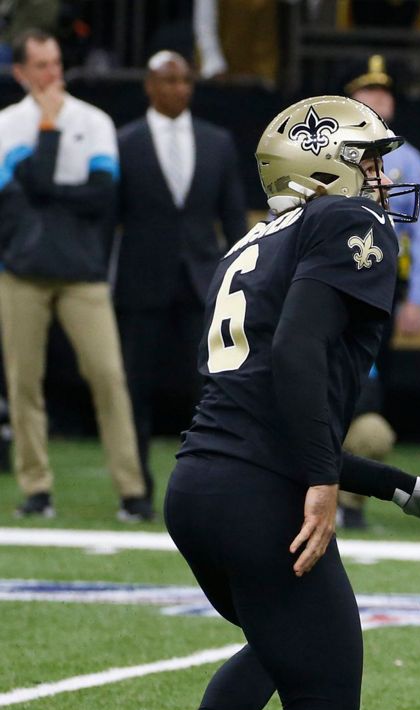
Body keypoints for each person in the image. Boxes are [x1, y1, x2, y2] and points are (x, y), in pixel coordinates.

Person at [51, 95, 420, 710]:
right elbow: (297, 358)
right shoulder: (347, 222)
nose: (384, 177)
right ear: (324, 167)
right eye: (369, 159)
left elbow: (264, 410)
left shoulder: (251, 242)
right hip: (261, 493)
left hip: (200, 485)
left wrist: (397, 486)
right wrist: (322, 479)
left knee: (277, 642)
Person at [0, 29, 149, 521]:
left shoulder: (95, 121)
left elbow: (102, 197)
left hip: (82, 272)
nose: (52, 74)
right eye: (41, 65)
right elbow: (24, 193)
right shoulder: (6, 125)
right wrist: (47, 128)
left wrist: (44, 188)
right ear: (20, 72)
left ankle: (132, 492)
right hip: (20, 271)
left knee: (108, 377)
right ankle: (36, 489)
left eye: (57, 63)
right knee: (24, 383)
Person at [114, 50, 247, 512]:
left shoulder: (218, 142)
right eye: (169, 81)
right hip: (141, 282)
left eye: (185, 81)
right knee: (134, 388)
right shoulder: (124, 142)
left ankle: (211, 484)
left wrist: (245, 278)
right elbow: (112, 218)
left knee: (211, 387)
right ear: (149, 86)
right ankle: (135, 493)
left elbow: (232, 218)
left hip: (203, 282)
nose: (179, 89)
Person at [345, 55, 420, 338]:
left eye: (386, 91)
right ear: (349, 98)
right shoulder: (323, 149)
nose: (380, 97)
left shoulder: (410, 159)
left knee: (374, 373)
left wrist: (417, 297)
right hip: (327, 272)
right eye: (369, 90)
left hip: (383, 281)